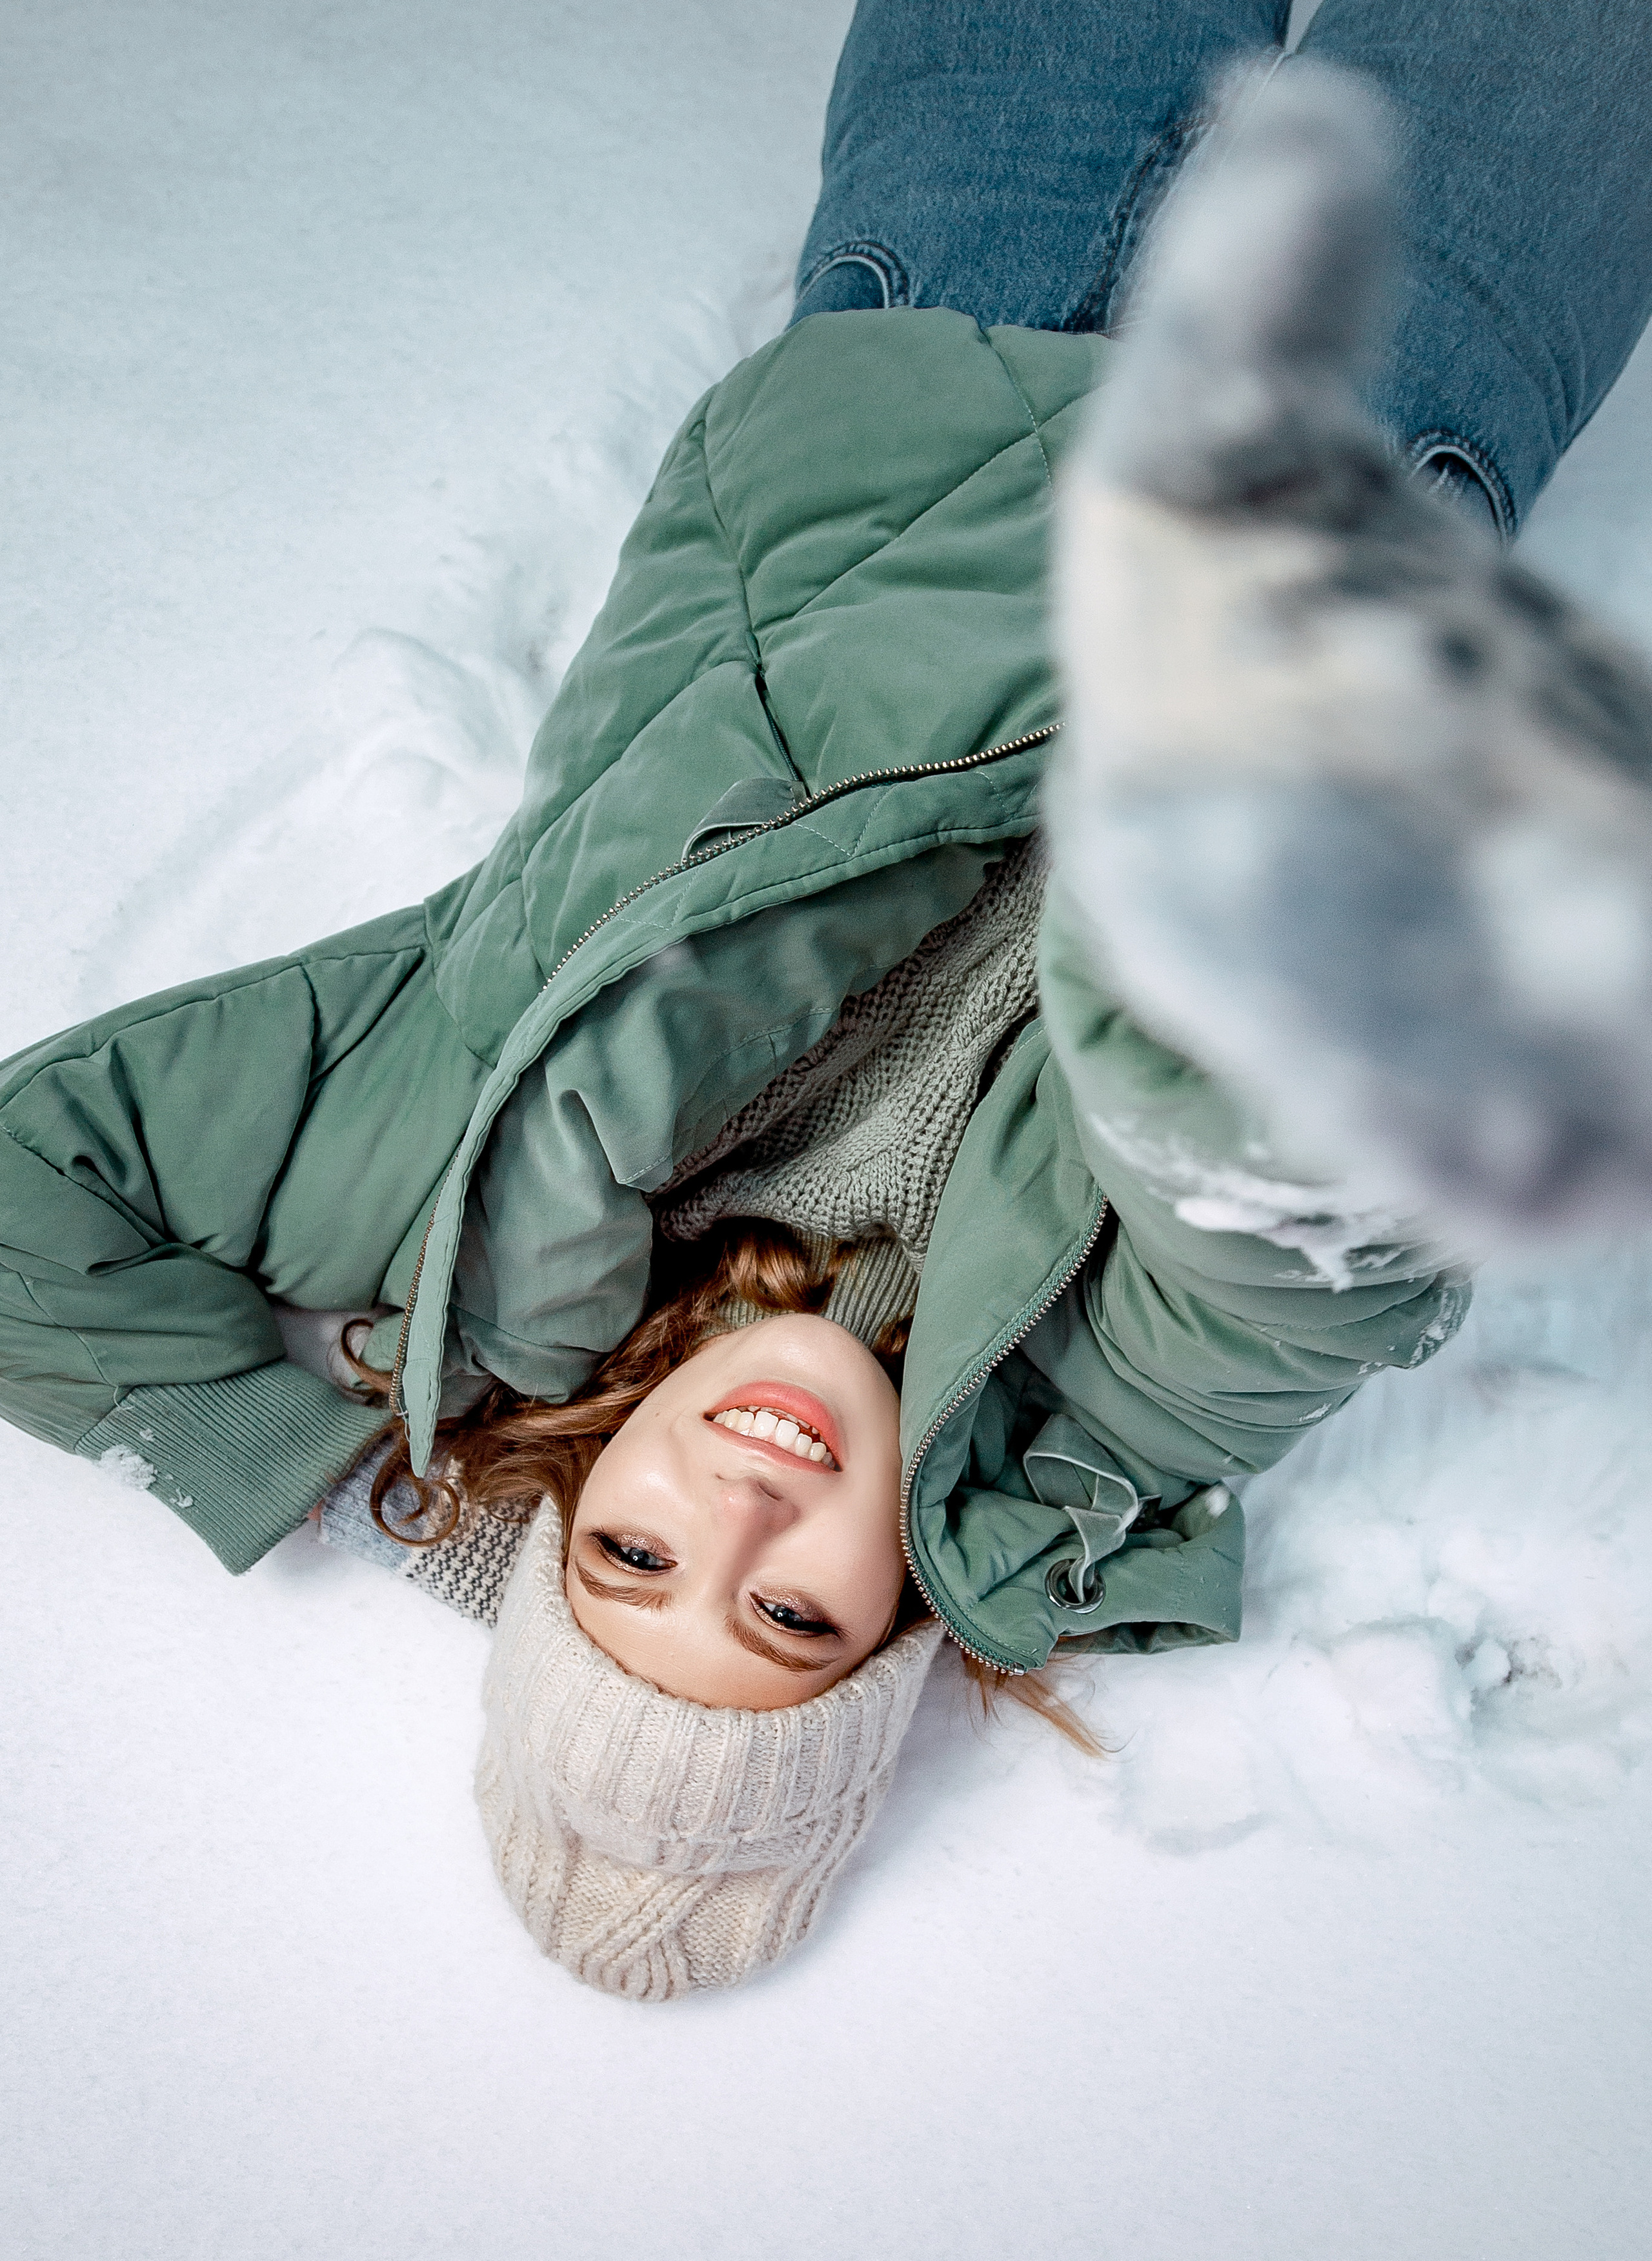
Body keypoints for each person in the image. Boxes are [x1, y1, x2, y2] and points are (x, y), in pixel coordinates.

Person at [4, 4, 1650, 1999]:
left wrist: (281, 1469)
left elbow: (27, 1194)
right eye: (789, 1622)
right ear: (896, 1621)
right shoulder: (1088, 1429)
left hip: (935, 324)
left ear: (565, 1509)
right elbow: (1290, 1223)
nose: (748, 1506)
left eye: (634, 1563)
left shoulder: (418, 1175)